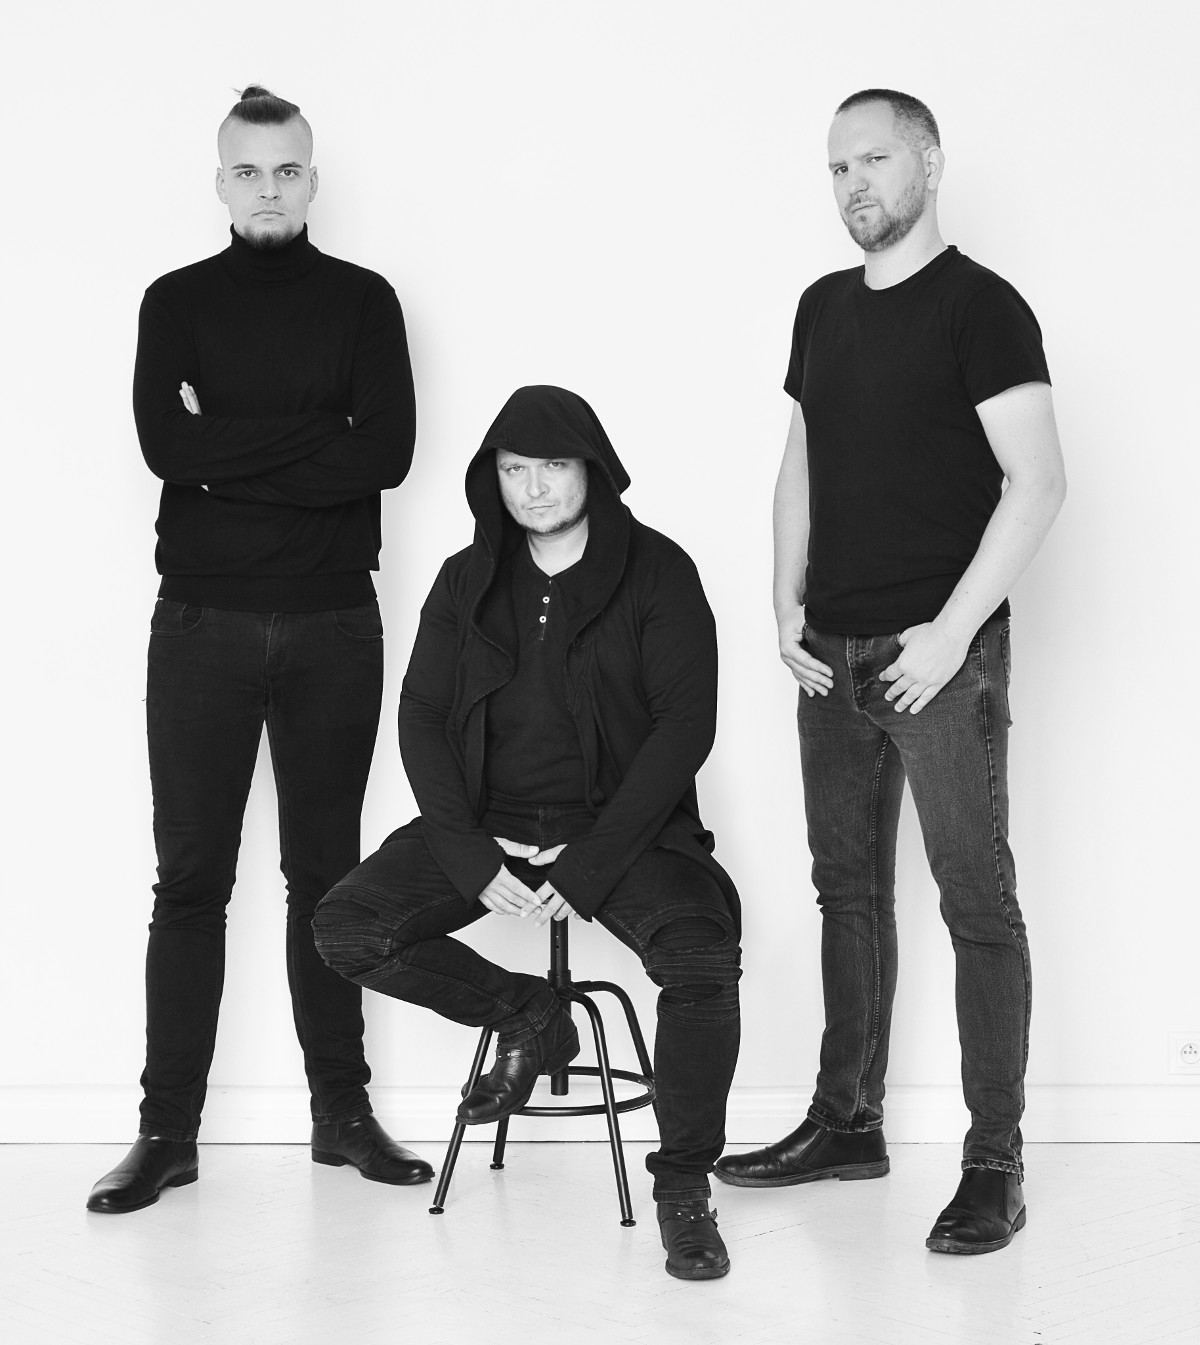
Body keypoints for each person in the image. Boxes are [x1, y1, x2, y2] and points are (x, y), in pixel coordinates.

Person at [714, 89, 1066, 1255]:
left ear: (929, 164)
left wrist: (952, 633)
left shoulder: (981, 307)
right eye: (837, 167)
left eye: (874, 159)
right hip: (830, 658)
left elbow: (1039, 482)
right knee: (848, 895)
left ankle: (994, 1161)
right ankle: (846, 1123)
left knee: (977, 903)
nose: (854, 183)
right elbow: (802, 459)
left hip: (938, 659)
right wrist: (783, 600)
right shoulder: (822, 308)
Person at [88, 86, 429, 1214]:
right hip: (202, 625)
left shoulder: (364, 302)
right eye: (248, 171)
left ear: (312, 179)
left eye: (286, 170)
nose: (268, 189)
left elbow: (385, 454)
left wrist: (223, 449)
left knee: (326, 877)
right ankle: (166, 1134)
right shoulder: (175, 302)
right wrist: (315, 437)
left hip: (334, 622)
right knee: (191, 881)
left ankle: (343, 1116)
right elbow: (163, 445)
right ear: (221, 183)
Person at [313, 385, 742, 1280]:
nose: (534, 487)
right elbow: (422, 715)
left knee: (701, 954)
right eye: (514, 469)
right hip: (489, 824)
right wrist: (470, 857)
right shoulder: (465, 578)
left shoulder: (660, 571)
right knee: (347, 927)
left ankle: (683, 1185)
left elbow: (684, 728)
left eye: (552, 466)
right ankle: (532, 1015)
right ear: (493, 478)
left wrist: (589, 864)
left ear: (592, 469)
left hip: (619, 831)